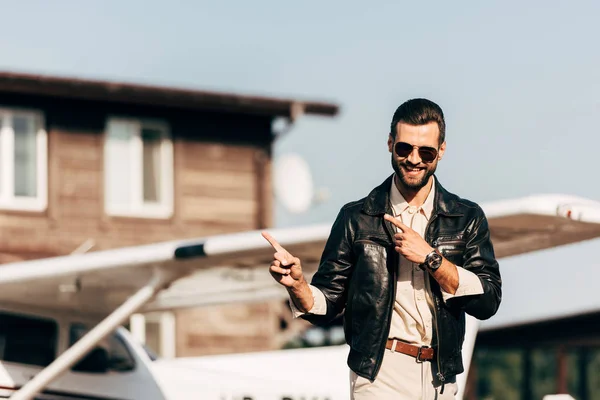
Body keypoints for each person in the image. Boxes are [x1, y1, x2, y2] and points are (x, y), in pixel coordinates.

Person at [262, 98, 502, 399]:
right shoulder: (357, 218)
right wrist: (297, 285)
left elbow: (488, 301)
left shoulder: (466, 218)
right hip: (380, 374)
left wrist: (432, 259)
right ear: (390, 143)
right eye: (405, 148)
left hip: (442, 377)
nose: (414, 159)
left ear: (441, 151)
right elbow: (329, 302)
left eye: (425, 151)